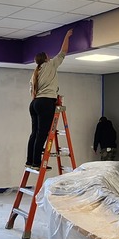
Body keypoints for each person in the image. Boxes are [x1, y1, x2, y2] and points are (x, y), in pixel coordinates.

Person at [26, 29, 73, 168]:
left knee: (34, 133)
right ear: (46, 58)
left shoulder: (36, 72)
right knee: (42, 133)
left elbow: (32, 92)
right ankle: (37, 162)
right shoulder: (50, 65)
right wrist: (67, 36)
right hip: (46, 102)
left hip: (34, 103)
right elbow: (63, 51)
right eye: (49, 56)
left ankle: (30, 161)